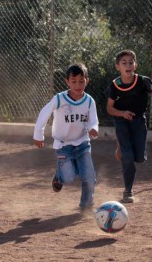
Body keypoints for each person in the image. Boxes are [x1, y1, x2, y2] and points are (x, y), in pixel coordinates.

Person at [106, 49, 152, 203]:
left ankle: (122, 147)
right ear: (117, 67)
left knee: (138, 157)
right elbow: (109, 108)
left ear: (135, 65)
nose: (128, 65)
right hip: (121, 121)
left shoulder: (142, 81)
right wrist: (122, 114)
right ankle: (128, 191)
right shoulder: (114, 86)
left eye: (130, 62)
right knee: (128, 158)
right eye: (124, 63)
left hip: (138, 121)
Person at [33, 63, 99, 211]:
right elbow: (45, 113)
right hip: (64, 146)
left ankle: (86, 205)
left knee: (89, 176)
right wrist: (39, 134)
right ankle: (59, 176)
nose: (78, 85)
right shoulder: (59, 99)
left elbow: (93, 120)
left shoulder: (89, 101)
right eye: (74, 81)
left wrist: (93, 128)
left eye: (81, 81)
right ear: (67, 82)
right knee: (69, 178)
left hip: (82, 143)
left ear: (86, 81)